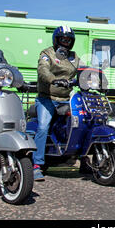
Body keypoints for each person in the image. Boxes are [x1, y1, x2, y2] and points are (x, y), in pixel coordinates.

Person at [33, 25, 84, 181]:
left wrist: (95, 77)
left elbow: (84, 70)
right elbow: (43, 70)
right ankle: (37, 165)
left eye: (68, 40)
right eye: (62, 39)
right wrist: (54, 80)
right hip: (46, 98)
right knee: (43, 126)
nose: (65, 42)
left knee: (81, 122)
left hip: (66, 99)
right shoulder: (47, 53)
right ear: (56, 40)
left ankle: (85, 159)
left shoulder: (74, 57)